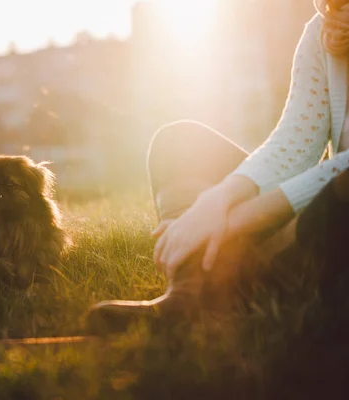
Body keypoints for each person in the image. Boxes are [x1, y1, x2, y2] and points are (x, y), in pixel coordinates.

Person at [87, 0, 349, 333]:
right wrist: (214, 202)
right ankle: (189, 295)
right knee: (179, 141)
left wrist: (234, 223)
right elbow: (293, 144)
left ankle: (262, 281)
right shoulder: (321, 31)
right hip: (316, 218)